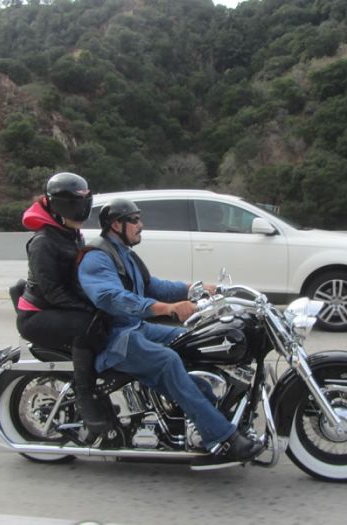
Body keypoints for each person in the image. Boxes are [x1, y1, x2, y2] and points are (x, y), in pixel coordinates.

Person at [78, 198, 263, 466]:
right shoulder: (97, 256)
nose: (141, 225)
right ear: (116, 224)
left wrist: (196, 289)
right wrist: (168, 309)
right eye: (135, 219)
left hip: (134, 328)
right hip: (112, 338)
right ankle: (221, 437)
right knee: (168, 360)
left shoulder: (124, 253)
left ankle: (203, 412)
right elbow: (110, 297)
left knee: (191, 341)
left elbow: (153, 286)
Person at [16, 172, 110, 434]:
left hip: (57, 307)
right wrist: (89, 308)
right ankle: (86, 396)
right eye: (76, 203)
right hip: (37, 316)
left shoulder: (70, 233)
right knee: (87, 326)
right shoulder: (43, 242)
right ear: (60, 206)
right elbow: (52, 291)